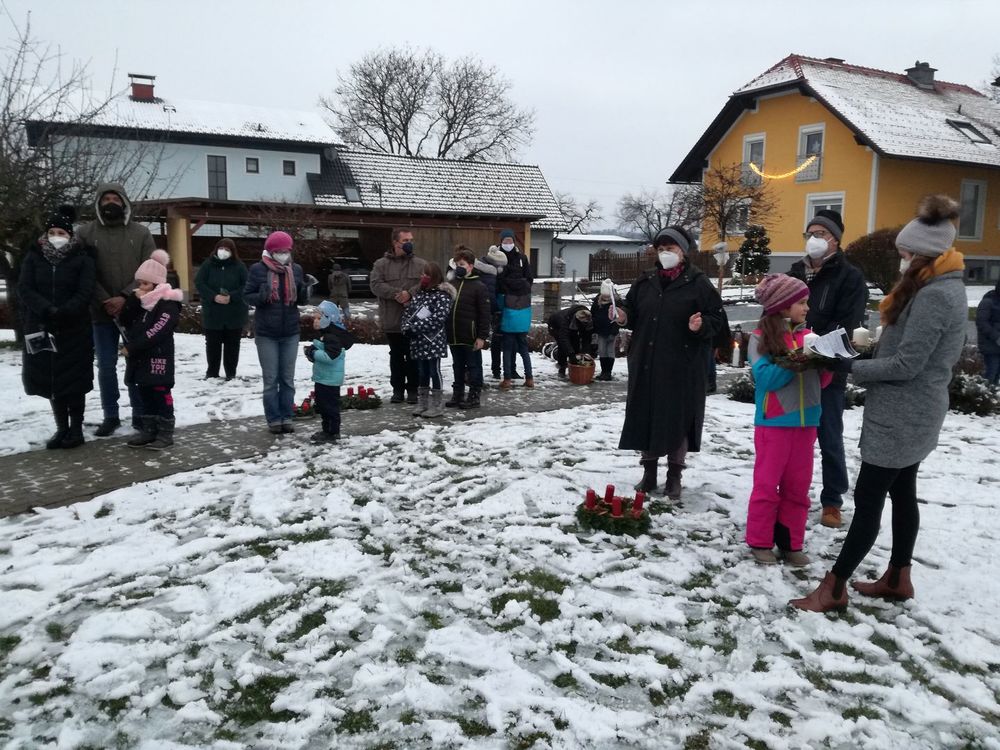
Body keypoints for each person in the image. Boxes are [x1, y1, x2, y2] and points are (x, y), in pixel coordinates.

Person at [791, 195, 968, 612]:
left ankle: (834, 588)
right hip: (915, 410)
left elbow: (908, 364)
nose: (901, 261)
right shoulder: (938, 287)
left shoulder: (935, 296)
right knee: (903, 492)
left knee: (869, 499)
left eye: (906, 255)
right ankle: (898, 577)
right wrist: (871, 348)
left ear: (925, 255)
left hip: (903, 414)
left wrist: (849, 366)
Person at [615, 226, 724, 499]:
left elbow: (718, 321)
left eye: (671, 248)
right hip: (646, 361)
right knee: (647, 416)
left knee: (678, 420)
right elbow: (632, 308)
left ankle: (674, 474)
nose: (665, 253)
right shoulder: (646, 280)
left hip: (682, 366)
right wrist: (623, 315)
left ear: (683, 252)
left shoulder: (698, 283)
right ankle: (649, 472)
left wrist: (701, 325)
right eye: (661, 249)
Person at [787, 210, 868, 528]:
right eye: (810, 233)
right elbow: (780, 312)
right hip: (792, 366)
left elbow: (848, 323)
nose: (814, 239)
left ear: (835, 239)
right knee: (792, 435)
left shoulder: (849, 276)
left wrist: (817, 351)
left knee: (829, 435)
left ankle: (832, 500)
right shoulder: (795, 272)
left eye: (820, 233)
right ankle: (790, 491)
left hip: (828, 368)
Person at [746, 275, 832, 566]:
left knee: (798, 487)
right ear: (783, 306)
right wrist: (798, 360)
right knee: (767, 485)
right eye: (801, 302)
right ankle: (760, 541)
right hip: (775, 423)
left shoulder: (809, 336)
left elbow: (821, 382)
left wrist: (826, 363)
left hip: (807, 424)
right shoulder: (760, 338)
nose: (807, 308)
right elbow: (766, 379)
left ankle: (791, 543)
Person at [76, 182, 155, 436]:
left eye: (115, 199)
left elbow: (150, 270)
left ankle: (140, 413)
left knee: (136, 362)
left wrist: (124, 297)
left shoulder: (141, 233)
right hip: (100, 312)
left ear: (124, 202)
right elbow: (82, 270)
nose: (111, 203)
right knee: (106, 366)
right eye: (106, 199)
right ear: (99, 203)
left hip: (134, 311)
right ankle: (110, 415)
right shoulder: (85, 233)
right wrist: (105, 300)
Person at [18, 205, 96, 449]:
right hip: (41, 325)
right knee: (51, 379)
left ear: (70, 234)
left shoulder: (83, 258)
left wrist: (65, 311)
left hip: (74, 328)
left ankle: (76, 429)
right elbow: (25, 288)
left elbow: (85, 291)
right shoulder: (34, 256)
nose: (56, 237)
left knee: (74, 379)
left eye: (61, 233)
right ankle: (62, 428)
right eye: (52, 232)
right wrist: (46, 309)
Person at [243, 231, 309, 434]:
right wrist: (261, 296)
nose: (283, 254)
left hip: (290, 331)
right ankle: (273, 418)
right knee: (271, 379)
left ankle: (287, 416)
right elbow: (247, 295)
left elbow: (301, 300)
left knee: (287, 379)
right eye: (279, 251)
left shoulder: (295, 269)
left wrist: (305, 290)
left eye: (286, 250)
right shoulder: (258, 269)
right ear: (270, 251)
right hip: (266, 333)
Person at [119, 250, 184, 450]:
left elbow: (157, 330)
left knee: (160, 394)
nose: (141, 288)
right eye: (139, 283)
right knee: (145, 393)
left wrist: (133, 347)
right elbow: (124, 320)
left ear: (156, 284)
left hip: (158, 358)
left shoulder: (168, 304)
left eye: (145, 284)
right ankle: (149, 430)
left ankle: (165, 433)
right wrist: (132, 300)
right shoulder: (142, 302)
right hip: (141, 359)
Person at [370, 228, 428, 404]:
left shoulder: (421, 264)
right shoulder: (381, 264)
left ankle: (413, 390)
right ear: (395, 243)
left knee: (413, 355)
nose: (409, 243)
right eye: (405, 240)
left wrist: (409, 294)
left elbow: (426, 284)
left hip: (414, 320)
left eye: (411, 240)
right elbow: (375, 285)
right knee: (396, 356)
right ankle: (397, 390)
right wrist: (397, 294)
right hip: (392, 319)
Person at [400, 262, 454, 418]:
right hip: (418, 341)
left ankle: (437, 405)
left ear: (434, 277)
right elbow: (409, 313)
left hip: (433, 341)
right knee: (422, 372)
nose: (422, 277)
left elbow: (438, 318)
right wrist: (406, 327)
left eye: (426, 275)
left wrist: (415, 327)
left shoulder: (442, 295)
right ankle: (423, 403)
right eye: (422, 274)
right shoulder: (420, 294)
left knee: (433, 370)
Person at [195, 238, 248, 380]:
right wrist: (213, 296)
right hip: (213, 313)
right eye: (221, 248)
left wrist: (232, 296)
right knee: (213, 344)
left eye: (227, 249)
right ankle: (212, 372)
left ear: (232, 252)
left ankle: (231, 373)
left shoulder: (239, 266)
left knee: (232, 345)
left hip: (234, 314)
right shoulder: (208, 265)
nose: (223, 251)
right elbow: (199, 283)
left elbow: (246, 285)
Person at [445, 248, 492, 408]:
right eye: (457, 264)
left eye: (462, 264)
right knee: (457, 365)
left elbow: (485, 314)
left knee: (473, 366)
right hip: (454, 334)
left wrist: (482, 336)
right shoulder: (452, 284)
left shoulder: (479, 286)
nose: (459, 267)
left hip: (470, 335)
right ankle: (458, 394)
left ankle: (474, 396)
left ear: (471, 266)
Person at [304, 301, 355, 443]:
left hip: (330, 380)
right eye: (314, 318)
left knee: (330, 406)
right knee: (323, 405)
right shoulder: (325, 334)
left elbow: (330, 357)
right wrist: (312, 353)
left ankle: (332, 432)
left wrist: (313, 353)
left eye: (319, 318)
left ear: (329, 319)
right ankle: (326, 430)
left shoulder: (332, 337)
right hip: (322, 377)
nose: (315, 321)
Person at [497, 229, 532, 380]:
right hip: (503, 300)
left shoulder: (522, 258)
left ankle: (511, 373)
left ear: (514, 242)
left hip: (517, 301)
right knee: (501, 342)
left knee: (514, 344)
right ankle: (499, 370)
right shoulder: (497, 257)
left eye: (510, 241)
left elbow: (529, 277)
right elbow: (497, 280)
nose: (508, 243)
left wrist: (523, 287)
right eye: (505, 241)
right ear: (501, 242)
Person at [478, 245, 506, 379]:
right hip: (487, 308)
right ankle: (493, 371)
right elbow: (490, 294)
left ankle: (477, 372)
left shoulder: (481, 266)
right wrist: (496, 309)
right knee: (490, 338)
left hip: (482, 307)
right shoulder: (490, 272)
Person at [547, 305, 594, 378]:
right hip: (555, 326)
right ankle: (562, 368)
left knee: (576, 344)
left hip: (572, 325)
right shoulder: (565, 319)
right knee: (562, 347)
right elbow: (564, 339)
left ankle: (575, 368)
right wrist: (571, 354)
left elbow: (587, 337)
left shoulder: (588, 319)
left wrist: (585, 352)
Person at [590, 279, 621, 381]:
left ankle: (608, 372)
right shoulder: (597, 301)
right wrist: (595, 328)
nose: (606, 298)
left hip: (612, 330)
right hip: (601, 330)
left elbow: (619, 318)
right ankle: (604, 372)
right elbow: (593, 314)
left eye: (607, 296)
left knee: (610, 351)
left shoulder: (616, 302)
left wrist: (614, 330)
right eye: (604, 296)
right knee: (602, 351)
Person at [975, 277, 1000, 385]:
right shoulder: (988, 302)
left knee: (996, 376)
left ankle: (991, 394)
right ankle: (984, 393)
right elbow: (981, 322)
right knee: (990, 374)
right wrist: (997, 337)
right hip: (990, 345)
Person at [706, 305, 732, 394]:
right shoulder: (717, 307)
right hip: (715, 336)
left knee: (709, 359)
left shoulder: (711, 307)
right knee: (710, 358)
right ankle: (710, 383)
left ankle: (710, 383)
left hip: (711, 336)